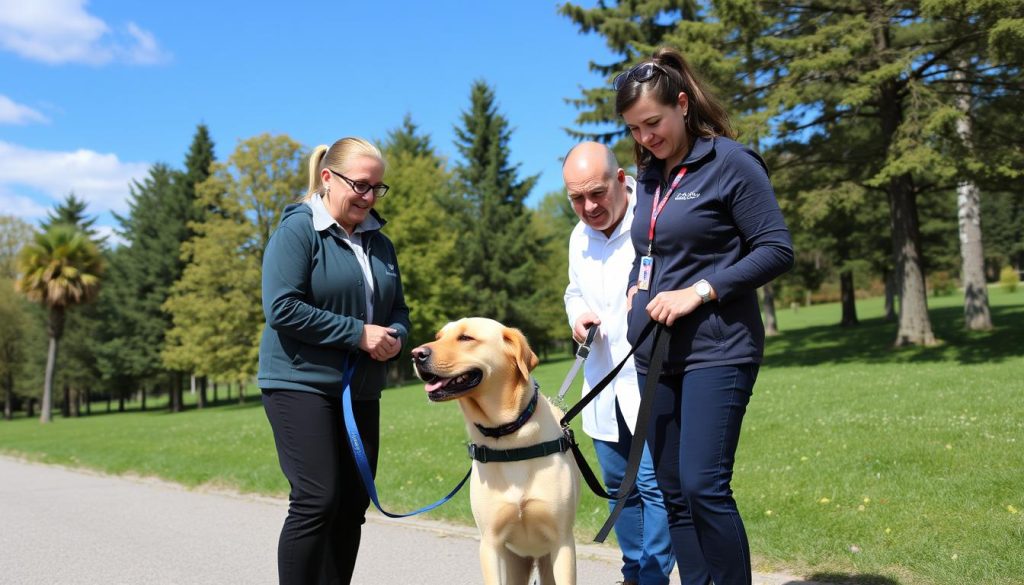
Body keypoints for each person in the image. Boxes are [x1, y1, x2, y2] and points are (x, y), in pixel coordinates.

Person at [614, 48, 794, 585]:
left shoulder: (731, 162)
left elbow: (776, 249)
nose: (646, 138)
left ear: (683, 105)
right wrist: (633, 289)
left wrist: (700, 290)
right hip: (654, 354)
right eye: (634, 129)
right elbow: (651, 249)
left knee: (703, 484)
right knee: (671, 491)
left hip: (718, 349)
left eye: (653, 123)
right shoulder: (648, 176)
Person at [258, 137, 411, 585]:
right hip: (299, 383)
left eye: (377, 188)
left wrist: (395, 338)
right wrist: (357, 334)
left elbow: (398, 309)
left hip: (360, 389)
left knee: (351, 503)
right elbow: (281, 307)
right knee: (317, 499)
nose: (369, 196)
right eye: (361, 185)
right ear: (328, 177)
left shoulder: (379, 242)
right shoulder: (298, 231)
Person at [563, 141, 676, 585]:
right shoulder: (577, 237)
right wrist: (578, 317)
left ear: (621, 180)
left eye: (597, 193)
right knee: (617, 486)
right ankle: (635, 571)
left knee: (653, 485)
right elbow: (574, 290)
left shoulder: (651, 224)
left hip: (647, 378)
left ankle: (652, 575)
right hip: (600, 382)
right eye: (577, 198)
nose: (588, 206)